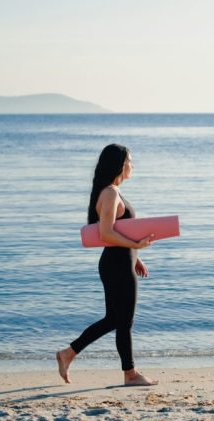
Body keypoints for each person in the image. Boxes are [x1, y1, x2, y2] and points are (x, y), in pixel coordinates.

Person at [56, 144, 158, 386]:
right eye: (130, 161)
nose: (132, 165)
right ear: (120, 165)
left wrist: (136, 256)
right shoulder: (110, 193)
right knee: (124, 322)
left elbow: (118, 231)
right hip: (116, 265)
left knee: (114, 319)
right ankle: (130, 375)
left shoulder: (112, 191)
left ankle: (67, 354)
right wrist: (137, 245)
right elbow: (106, 233)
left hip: (120, 262)